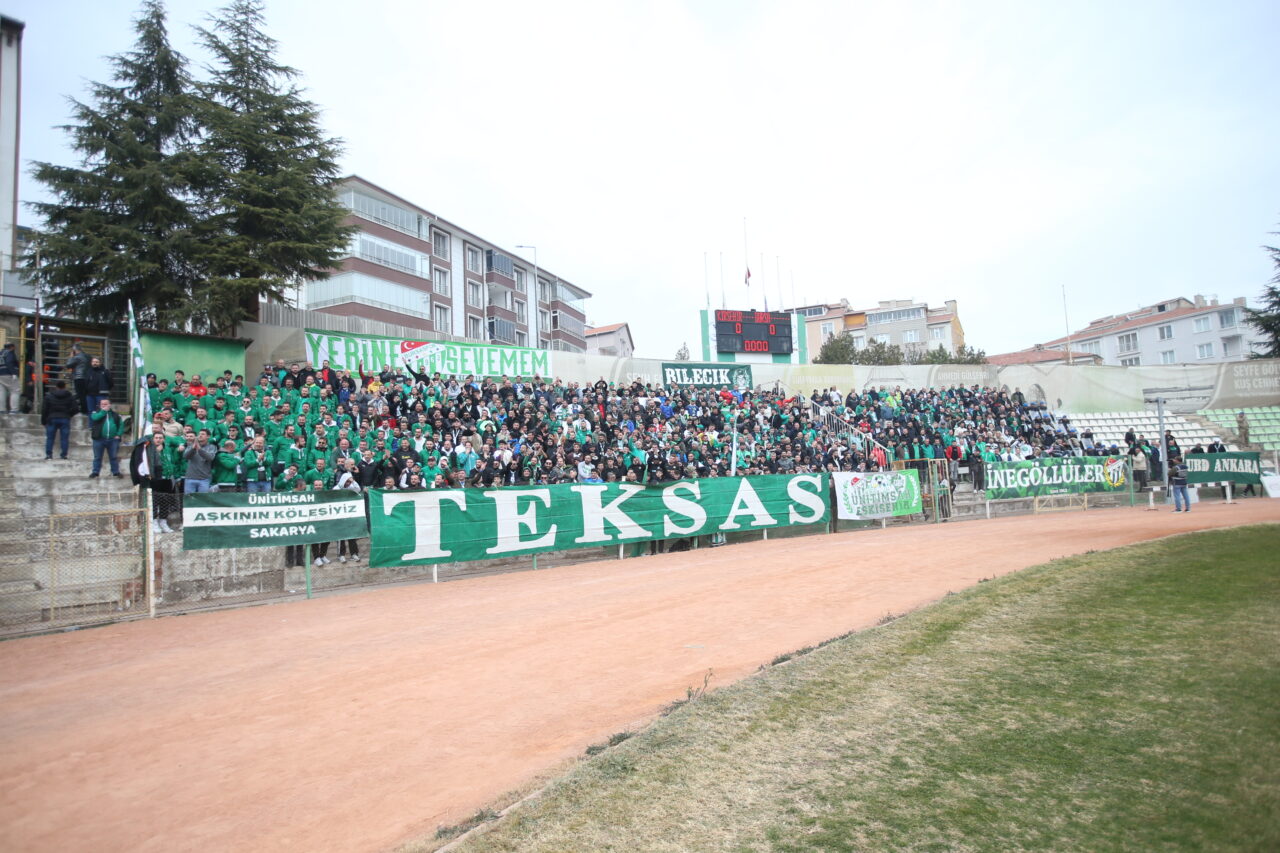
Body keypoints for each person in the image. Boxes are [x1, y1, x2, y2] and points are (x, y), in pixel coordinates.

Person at [88, 398, 124, 478]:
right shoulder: (96, 413)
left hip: (112, 440)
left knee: (114, 456)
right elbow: (95, 418)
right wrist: (103, 411)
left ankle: (115, 472)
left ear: (110, 405)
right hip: (99, 439)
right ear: (100, 405)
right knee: (97, 457)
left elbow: (121, 425)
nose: (104, 406)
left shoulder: (115, 415)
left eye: (106, 404)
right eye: (102, 404)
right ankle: (95, 472)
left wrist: (118, 434)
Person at [42, 379, 76, 460]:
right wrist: (69, 414)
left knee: (50, 438)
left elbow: (44, 409)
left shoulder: (49, 396)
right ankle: (64, 455)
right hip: (65, 418)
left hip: (52, 418)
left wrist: (43, 421)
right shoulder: (69, 396)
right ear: (65, 387)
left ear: (56, 387)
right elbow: (75, 408)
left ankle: (49, 455)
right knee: (64, 438)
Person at [181, 429, 217, 493]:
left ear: (208, 436)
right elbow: (185, 456)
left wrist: (199, 449)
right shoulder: (191, 446)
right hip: (190, 478)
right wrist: (193, 449)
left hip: (204, 479)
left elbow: (210, 458)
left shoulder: (212, 447)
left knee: (203, 500)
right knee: (189, 499)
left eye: (203, 434)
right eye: (199, 434)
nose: (200, 436)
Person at [64, 343, 91, 415]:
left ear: (74, 350)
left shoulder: (76, 357)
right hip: (87, 378)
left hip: (79, 378)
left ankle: (84, 410)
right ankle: (86, 409)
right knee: (85, 394)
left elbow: (68, 365)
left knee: (80, 394)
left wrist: (71, 357)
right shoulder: (88, 356)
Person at [0, 341, 19, 414]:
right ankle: (14, 410)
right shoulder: (9, 353)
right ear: (12, 347)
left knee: (1, 392)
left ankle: (1, 409)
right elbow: (9, 362)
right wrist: (14, 373)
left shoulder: (0, 353)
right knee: (15, 391)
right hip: (9, 374)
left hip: (0, 374)